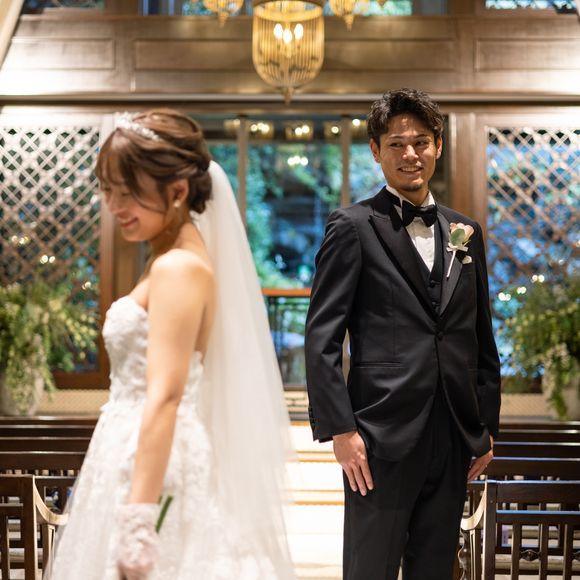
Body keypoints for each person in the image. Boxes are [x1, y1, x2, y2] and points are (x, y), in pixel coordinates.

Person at [48, 109, 295, 580]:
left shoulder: (178, 267)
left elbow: (165, 395)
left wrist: (138, 519)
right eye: (108, 191)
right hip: (131, 446)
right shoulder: (169, 256)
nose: (114, 205)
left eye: (128, 192)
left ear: (178, 191)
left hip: (153, 462)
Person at [304, 88, 501, 580]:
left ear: (438, 146)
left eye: (420, 143)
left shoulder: (465, 232)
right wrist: (341, 430)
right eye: (396, 144)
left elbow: (481, 335)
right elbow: (322, 338)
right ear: (376, 151)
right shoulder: (352, 227)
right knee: (369, 568)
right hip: (378, 436)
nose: (409, 154)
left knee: (435, 568)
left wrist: (485, 427)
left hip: (452, 433)